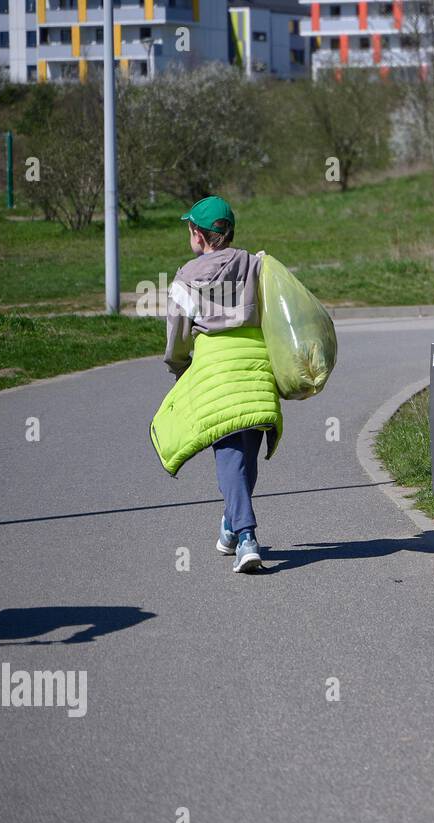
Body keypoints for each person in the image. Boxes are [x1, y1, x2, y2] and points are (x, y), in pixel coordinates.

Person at [152, 195, 282, 573]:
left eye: (190, 227)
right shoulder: (257, 266)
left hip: (216, 376)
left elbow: (177, 337)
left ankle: (246, 537)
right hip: (258, 370)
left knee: (228, 457)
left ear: (198, 234)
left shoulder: (184, 278)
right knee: (245, 456)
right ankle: (229, 527)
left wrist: (179, 368)